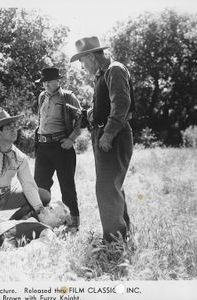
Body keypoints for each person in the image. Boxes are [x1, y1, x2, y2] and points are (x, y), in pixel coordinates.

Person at [70, 36, 135, 242]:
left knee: (106, 188)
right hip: (105, 133)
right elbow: (107, 105)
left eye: (82, 61)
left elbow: (122, 103)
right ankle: (121, 236)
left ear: (91, 56)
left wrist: (108, 133)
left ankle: (113, 241)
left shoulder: (114, 69)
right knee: (111, 186)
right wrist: (91, 112)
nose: (82, 66)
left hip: (114, 135)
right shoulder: (103, 73)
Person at [0, 110, 51, 220]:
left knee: (43, 196)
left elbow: (28, 185)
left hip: (8, 195)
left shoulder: (20, 157)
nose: (14, 130)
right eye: (9, 128)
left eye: (14, 126)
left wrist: (39, 210)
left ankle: (14, 223)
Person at [34, 67, 82, 231]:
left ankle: (72, 223)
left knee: (67, 186)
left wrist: (71, 139)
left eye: (49, 81)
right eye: (44, 82)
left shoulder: (68, 96)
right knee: (40, 186)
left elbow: (80, 118)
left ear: (57, 81)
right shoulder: (41, 97)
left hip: (61, 146)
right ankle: (44, 221)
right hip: (43, 146)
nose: (46, 85)